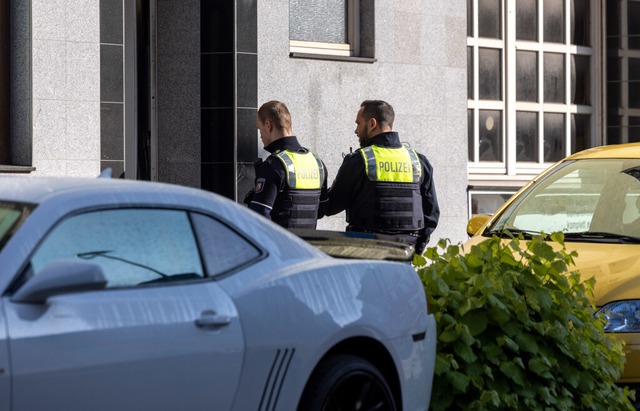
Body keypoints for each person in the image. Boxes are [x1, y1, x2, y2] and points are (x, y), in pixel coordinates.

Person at [318, 100, 440, 255]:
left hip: (365, 254)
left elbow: (330, 206)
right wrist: (416, 249)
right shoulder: (418, 161)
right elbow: (432, 214)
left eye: (358, 123)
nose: (356, 130)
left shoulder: (359, 160)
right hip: (404, 254)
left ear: (372, 124)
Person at [244, 100, 328, 229]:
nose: (260, 136)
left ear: (268, 125)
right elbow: (321, 210)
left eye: (259, 129)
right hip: (308, 245)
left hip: (281, 246)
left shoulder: (274, 165)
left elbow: (260, 214)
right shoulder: (317, 163)